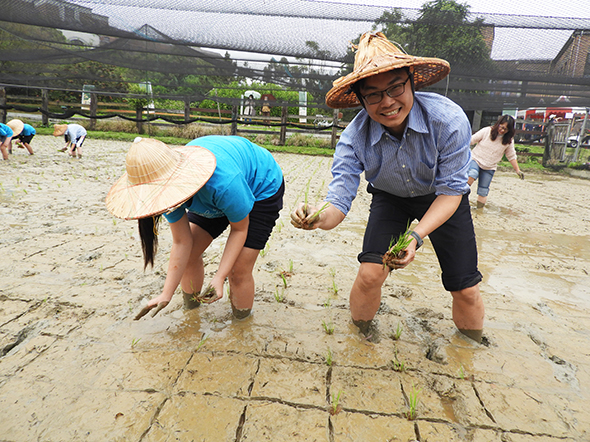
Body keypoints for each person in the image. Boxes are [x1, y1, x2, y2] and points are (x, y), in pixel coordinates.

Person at [290, 32, 485, 343]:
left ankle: (471, 348)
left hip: (442, 198)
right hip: (390, 198)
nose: (388, 102)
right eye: (374, 95)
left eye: (396, 87)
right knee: (370, 275)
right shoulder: (354, 139)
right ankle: (359, 339)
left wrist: (415, 236)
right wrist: (316, 215)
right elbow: (338, 202)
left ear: (411, 82)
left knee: (465, 288)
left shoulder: (448, 121)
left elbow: (452, 192)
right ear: (360, 98)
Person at [105, 135, 284, 320]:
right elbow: (182, 242)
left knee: (237, 270)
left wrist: (219, 277)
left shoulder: (223, 183)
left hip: (261, 186)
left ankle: (241, 327)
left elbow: (239, 229)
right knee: (189, 256)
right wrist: (166, 293)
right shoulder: (163, 194)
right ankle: (191, 313)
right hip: (211, 194)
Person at [469, 115, 524, 209]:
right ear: (498, 124)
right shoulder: (487, 131)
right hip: (476, 160)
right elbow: (471, 140)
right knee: (472, 173)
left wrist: (517, 170)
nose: (502, 130)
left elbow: (511, 155)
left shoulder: (508, 140)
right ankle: (458, 198)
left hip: (490, 167)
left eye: (506, 129)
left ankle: (479, 211)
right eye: (501, 127)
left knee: (483, 191)